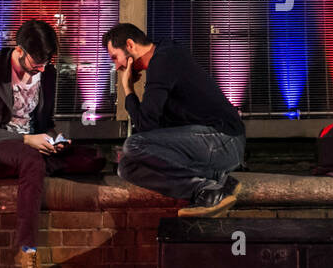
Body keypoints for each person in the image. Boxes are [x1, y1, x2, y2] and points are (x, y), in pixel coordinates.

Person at [0, 19, 104, 268]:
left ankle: (1, 171)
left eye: (46, 62)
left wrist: (54, 138)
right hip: (1, 144)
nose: (41, 68)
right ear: (20, 49)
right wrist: (28, 140)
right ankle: (28, 254)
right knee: (31, 161)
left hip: (33, 145)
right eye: (37, 61)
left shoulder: (47, 73)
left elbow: (45, 123)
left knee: (93, 159)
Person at [103, 23, 245, 217]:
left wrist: (128, 89)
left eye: (115, 58)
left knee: (133, 145)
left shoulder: (164, 60)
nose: (118, 66)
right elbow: (153, 130)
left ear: (130, 45)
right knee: (127, 167)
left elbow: (145, 128)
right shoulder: (161, 60)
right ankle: (212, 184)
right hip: (207, 144)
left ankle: (209, 189)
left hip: (224, 140)